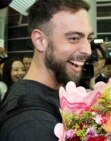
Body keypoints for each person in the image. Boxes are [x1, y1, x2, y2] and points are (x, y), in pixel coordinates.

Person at [0, 0, 93, 140]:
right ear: (40, 41)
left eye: (89, 38)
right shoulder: (33, 126)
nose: (88, 50)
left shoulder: (38, 94)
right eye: (74, 38)